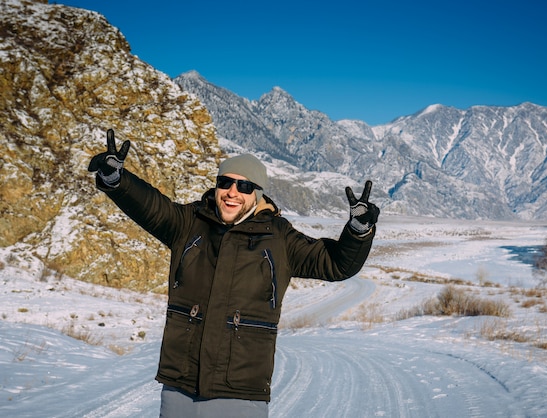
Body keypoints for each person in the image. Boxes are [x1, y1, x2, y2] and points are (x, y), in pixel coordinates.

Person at [88, 129, 379, 417]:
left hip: (240, 392)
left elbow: (337, 264)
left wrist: (358, 231)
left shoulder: (279, 239)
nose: (232, 193)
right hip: (180, 385)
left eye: (245, 187)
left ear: (258, 194)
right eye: (225, 182)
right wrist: (116, 180)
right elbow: (150, 205)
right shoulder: (189, 223)